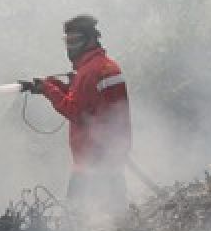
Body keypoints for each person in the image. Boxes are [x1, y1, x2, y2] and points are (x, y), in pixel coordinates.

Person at [21, 15, 131, 212]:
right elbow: (89, 104)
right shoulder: (106, 66)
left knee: (75, 219)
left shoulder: (90, 72)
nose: (69, 47)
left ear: (90, 39)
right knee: (117, 218)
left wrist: (48, 89)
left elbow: (76, 112)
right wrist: (57, 86)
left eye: (74, 41)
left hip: (91, 163)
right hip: (110, 158)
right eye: (67, 41)